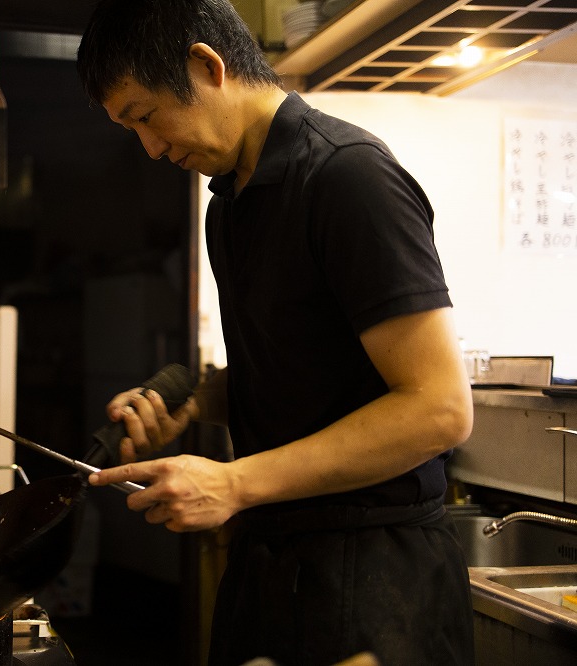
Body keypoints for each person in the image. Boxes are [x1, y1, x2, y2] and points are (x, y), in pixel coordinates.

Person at [76, 1, 475, 664]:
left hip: (377, 583)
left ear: (207, 66)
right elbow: (295, 372)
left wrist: (233, 483)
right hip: (272, 567)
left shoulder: (349, 176)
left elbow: (439, 408)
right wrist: (199, 404)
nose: (149, 148)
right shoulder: (228, 209)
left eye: (146, 116)